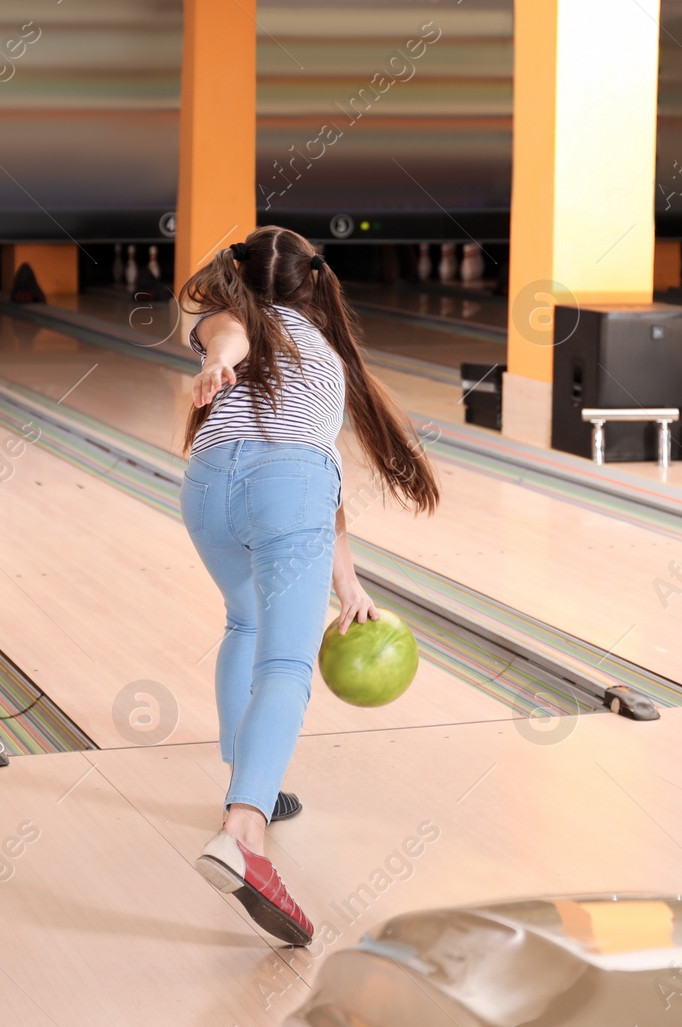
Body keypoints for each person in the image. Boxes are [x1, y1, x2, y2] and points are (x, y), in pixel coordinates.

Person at [179, 226, 440, 946]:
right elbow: (308, 467)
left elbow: (225, 333)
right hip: (286, 489)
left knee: (246, 624)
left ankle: (246, 774)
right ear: (312, 284)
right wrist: (223, 362)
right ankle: (244, 831)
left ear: (239, 277)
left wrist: (347, 581)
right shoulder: (324, 350)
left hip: (207, 489)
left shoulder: (227, 321)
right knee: (287, 666)